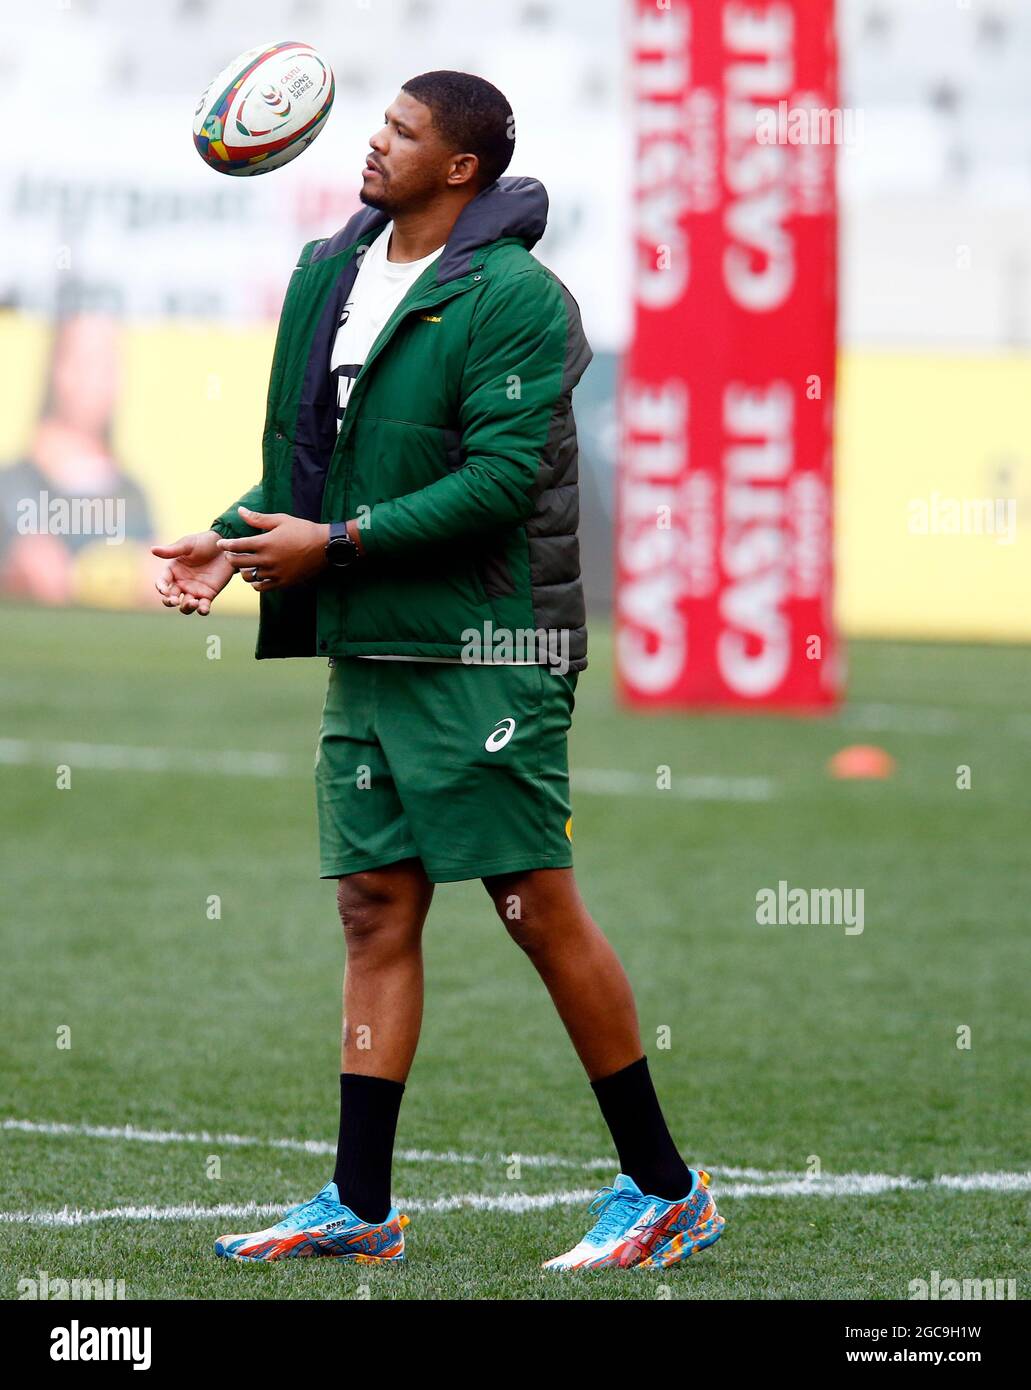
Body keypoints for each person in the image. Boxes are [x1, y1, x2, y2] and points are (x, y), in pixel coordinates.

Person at [152, 70, 724, 1271]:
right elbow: (317, 457)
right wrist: (234, 534)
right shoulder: (331, 270)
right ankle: (359, 1207)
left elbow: (501, 482)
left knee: (531, 906)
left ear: (458, 167)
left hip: (487, 647)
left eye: (402, 132)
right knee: (373, 910)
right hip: (372, 643)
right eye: (380, 123)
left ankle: (665, 1188)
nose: (373, 143)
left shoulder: (515, 297)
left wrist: (338, 546)